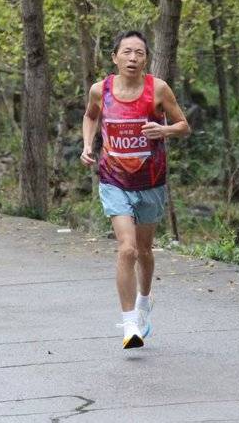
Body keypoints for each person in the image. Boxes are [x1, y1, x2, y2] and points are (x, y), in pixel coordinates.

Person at [81, 30, 191, 349]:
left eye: (139, 53)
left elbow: (184, 126)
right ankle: (130, 325)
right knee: (126, 248)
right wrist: (87, 145)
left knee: (144, 250)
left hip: (150, 181)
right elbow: (90, 117)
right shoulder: (100, 90)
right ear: (114, 57)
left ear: (146, 59)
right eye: (126, 52)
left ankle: (144, 301)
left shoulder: (158, 89)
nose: (132, 58)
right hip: (114, 180)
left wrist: (164, 130)